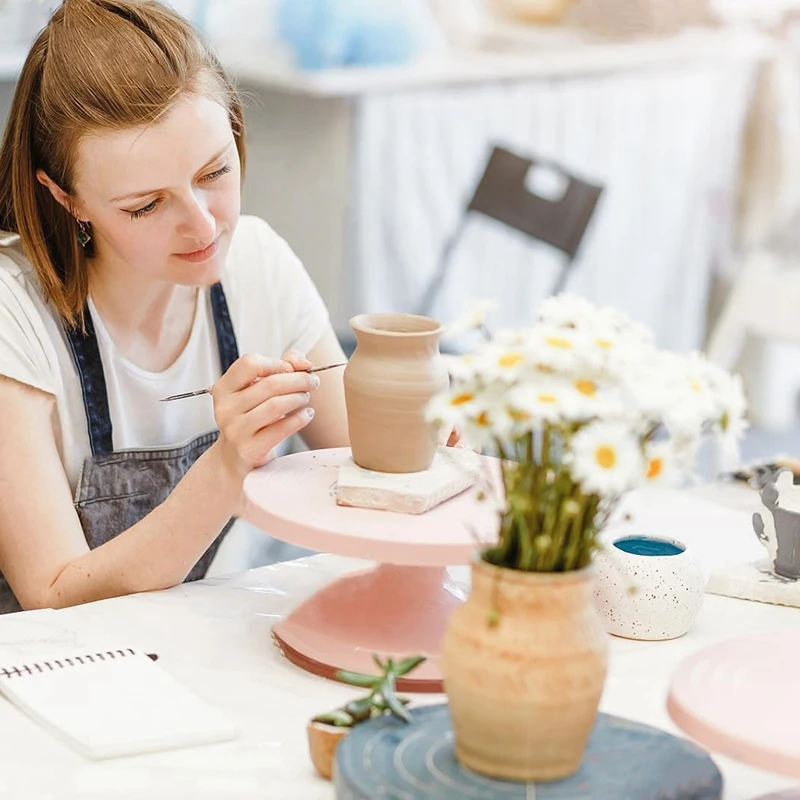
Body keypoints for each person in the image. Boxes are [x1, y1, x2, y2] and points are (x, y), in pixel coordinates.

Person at [0, 0, 360, 614]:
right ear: (67, 198)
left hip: (202, 645)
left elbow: (364, 465)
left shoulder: (259, 263)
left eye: (215, 171)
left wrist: (428, 446)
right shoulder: (15, 312)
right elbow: (54, 593)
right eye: (145, 205)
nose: (202, 226)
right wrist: (225, 468)